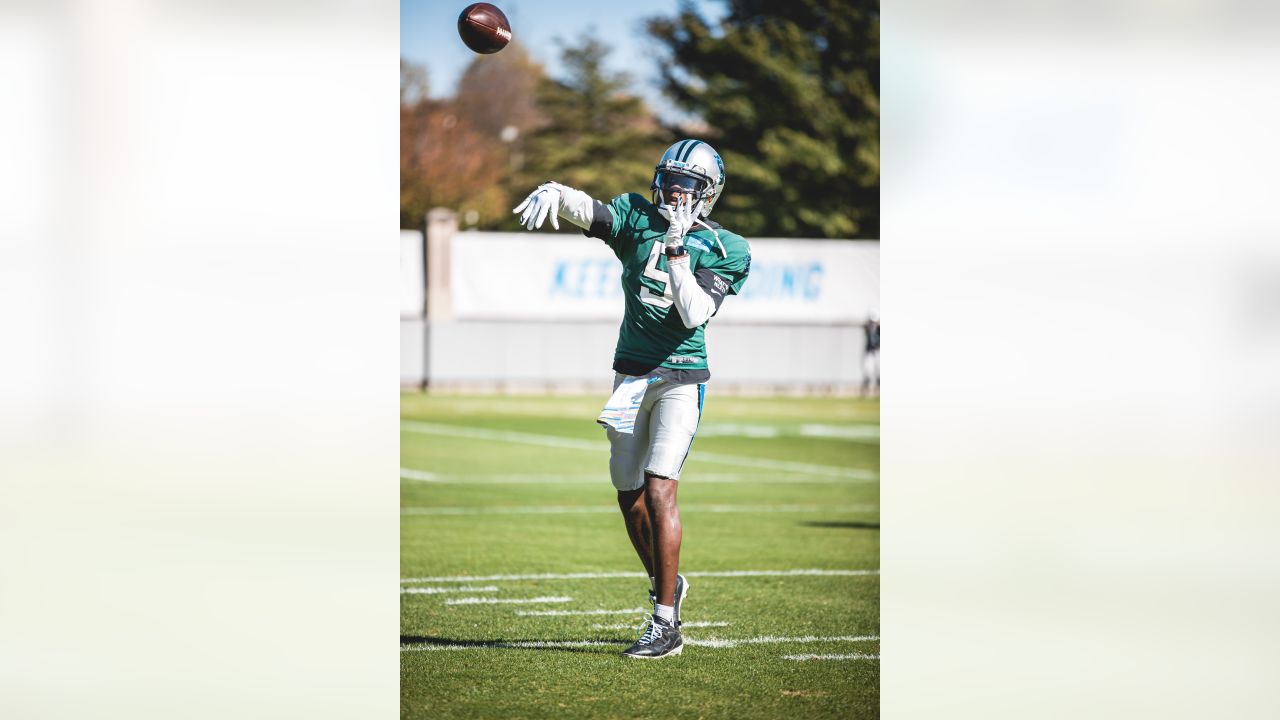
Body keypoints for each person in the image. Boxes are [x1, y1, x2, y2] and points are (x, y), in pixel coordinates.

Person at [512, 139, 751, 659]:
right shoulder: (636, 217)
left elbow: (692, 313)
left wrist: (679, 248)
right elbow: (594, 214)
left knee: (661, 488)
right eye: (669, 177)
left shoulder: (728, 246)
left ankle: (664, 622)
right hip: (631, 375)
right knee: (628, 494)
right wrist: (559, 192)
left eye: (687, 182)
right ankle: (668, 581)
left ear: (708, 192)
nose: (674, 188)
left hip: (681, 378)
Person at [862, 308, 880, 397]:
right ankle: (865, 392)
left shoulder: (879, 329)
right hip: (869, 353)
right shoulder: (868, 328)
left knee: (879, 373)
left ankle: (878, 392)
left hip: (878, 352)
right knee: (868, 372)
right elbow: (865, 327)